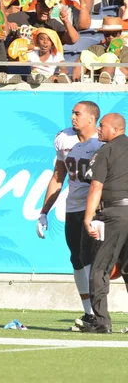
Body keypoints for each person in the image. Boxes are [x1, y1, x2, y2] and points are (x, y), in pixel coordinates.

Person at [36, 101, 103, 331]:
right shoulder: (64, 138)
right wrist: (44, 211)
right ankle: (89, 314)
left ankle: (99, 313)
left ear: (92, 119)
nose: (72, 117)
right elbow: (58, 176)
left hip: (99, 209)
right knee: (77, 260)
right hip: (74, 208)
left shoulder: (102, 140)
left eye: (77, 113)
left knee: (103, 263)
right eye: (72, 113)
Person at [81, 113, 128, 334]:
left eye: (102, 126)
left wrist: (88, 218)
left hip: (114, 214)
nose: (98, 129)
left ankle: (101, 322)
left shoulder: (105, 151)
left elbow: (95, 187)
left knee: (99, 268)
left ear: (116, 129)